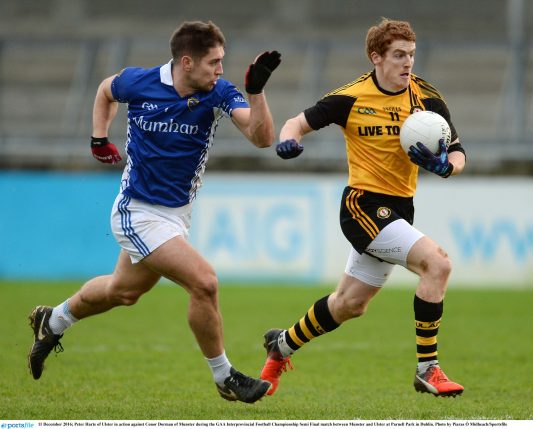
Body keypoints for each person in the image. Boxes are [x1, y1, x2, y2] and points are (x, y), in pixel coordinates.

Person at [27, 20, 281, 404]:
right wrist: (98, 137)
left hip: (175, 215)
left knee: (123, 291)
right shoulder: (139, 82)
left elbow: (262, 138)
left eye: (222, 61)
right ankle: (224, 375)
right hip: (136, 211)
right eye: (213, 62)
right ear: (186, 62)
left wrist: (257, 91)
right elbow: (104, 90)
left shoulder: (218, 93)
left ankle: (55, 320)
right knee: (204, 282)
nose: (220, 70)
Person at [260, 18, 466, 397]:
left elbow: (457, 151)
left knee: (349, 304)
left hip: (400, 210)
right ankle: (428, 369)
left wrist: (446, 168)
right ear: (376, 57)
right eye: (399, 55)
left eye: (412, 55)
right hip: (362, 206)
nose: (407, 63)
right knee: (437, 264)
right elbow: (295, 123)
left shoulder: (426, 98)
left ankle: (281, 346)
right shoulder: (351, 97)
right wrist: (288, 142)